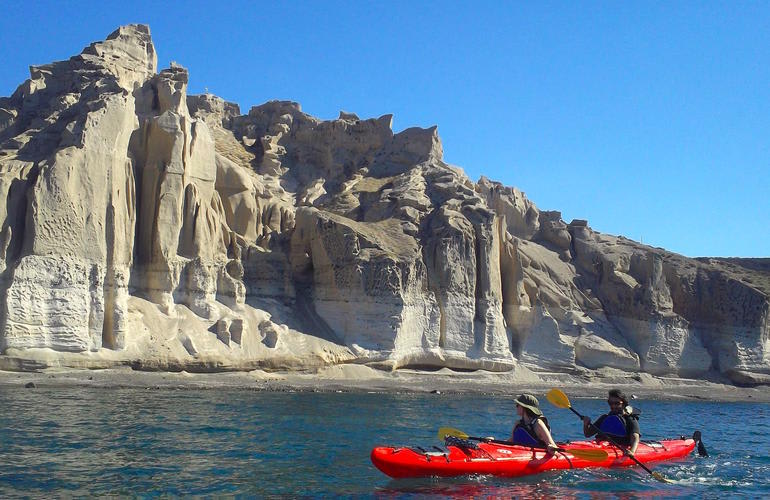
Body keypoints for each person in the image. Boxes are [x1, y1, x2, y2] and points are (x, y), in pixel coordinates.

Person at [582, 389, 640, 456]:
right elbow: (587, 434)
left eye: (617, 403)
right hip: (601, 445)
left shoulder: (629, 419)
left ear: (624, 404)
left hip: (619, 447)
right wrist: (585, 424)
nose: (613, 406)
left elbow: (635, 437)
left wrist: (632, 451)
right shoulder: (604, 418)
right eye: (610, 403)